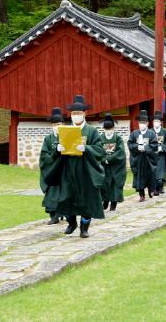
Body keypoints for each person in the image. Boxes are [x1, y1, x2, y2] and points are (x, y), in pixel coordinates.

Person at [55, 95, 105, 238]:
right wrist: (58, 148)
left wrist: (87, 149)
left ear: (84, 114)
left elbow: (100, 150)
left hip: (86, 171)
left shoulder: (92, 131)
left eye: (78, 113)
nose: (76, 116)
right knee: (66, 197)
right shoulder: (65, 130)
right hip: (69, 169)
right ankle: (71, 223)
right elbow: (59, 149)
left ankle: (84, 228)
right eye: (73, 114)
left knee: (86, 200)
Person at [40, 107, 65, 224]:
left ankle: (64, 214)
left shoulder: (67, 135)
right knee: (52, 193)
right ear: (52, 126)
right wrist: (54, 153)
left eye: (59, 124)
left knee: (65, 193)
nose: (57, 126)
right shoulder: (48, 139)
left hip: (64, 170)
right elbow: (44, 155)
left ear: (63, 124)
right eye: (54, 124)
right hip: (52, 170)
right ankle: (53, 216)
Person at [128, 110, 158, 201]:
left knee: (150, 176)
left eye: (144, 123)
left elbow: (155, 145)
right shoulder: (134, 134)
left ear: (147, 123)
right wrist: (137, 147)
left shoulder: (151, 134)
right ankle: (141, 194)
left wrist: (146, 148)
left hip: (148, 159)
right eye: (140, 122)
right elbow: (130, 144)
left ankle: (150, 190)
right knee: (139, 176)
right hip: (138, 159)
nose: (142, 124)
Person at [100, 113, 126, 211]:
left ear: (113, 128)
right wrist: (104, 159)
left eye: (110, 129)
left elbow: (120, 152)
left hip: (116, 167)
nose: (108, 131)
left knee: (115, 184)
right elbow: (98, 151)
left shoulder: (118, 138)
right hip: (104, 167)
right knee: (105, 184)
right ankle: (105, 201)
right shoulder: (100, 138)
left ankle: (113, 203)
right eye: (106, 129)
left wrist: (109, 159)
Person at [151, 111, 166, 195]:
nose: (155, 123)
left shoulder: (165, 132)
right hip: (152, 155)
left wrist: (162, 148)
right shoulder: (150, 131)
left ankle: (161, 186)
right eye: (154, 121)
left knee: (161, 172)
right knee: (154, 172)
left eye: (157, 121)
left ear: (160, 122)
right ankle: (155, 188)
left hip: (162, 155)